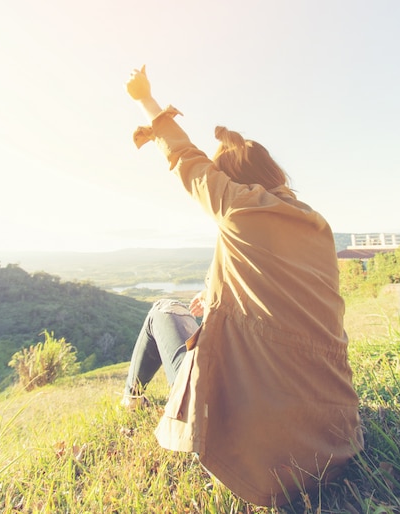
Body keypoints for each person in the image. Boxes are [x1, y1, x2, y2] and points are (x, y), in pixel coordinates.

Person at [123, 65, 363, 508]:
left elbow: (183, 155)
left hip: (266, 457)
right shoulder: (318, 228)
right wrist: (217, 296)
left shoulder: (236, 207)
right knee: (188, 313)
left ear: (232, 179)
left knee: (161, 310)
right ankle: (132, 400)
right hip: (335, 443)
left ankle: (130, 400)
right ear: (274, 173)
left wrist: (146, 99)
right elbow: (284, 295)